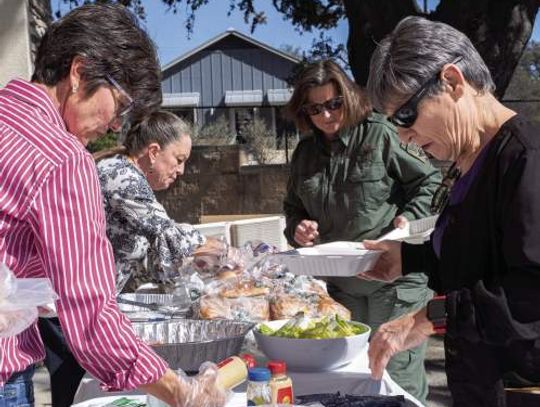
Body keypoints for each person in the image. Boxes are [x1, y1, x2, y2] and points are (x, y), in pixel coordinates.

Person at [0, 4, 226, 407]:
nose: (118, 125)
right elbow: (91, 318)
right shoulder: (61, 158)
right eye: (120, 105)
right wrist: (181, 391)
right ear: (79, 72)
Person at [364, 16, 540, 407]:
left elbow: (529, 293)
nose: (405, 138)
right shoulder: (467, 161)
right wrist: (408, 258)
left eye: (405, 117)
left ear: (453, 81)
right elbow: (474, 257)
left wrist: (429, 316)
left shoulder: (526, 160)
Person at [282, 59, 441, 403]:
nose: (327, 116)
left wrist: (409, 220)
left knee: (395, 382)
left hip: (395, 285)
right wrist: (298, 228)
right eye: (316, 109)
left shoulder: (380, 132)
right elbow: (294, 208)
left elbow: (429, 181)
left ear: (348, 98)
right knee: (347, 382)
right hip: (343, 291)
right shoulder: (305, 153)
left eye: (334, 104)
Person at [96, 110, 214, 293]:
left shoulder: (131, 178)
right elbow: (171, 235)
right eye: (179, 159)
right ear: (153, 152)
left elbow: (155, 260)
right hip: (63, 307)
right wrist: (225, 251)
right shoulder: (123, 176)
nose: (181, 170)